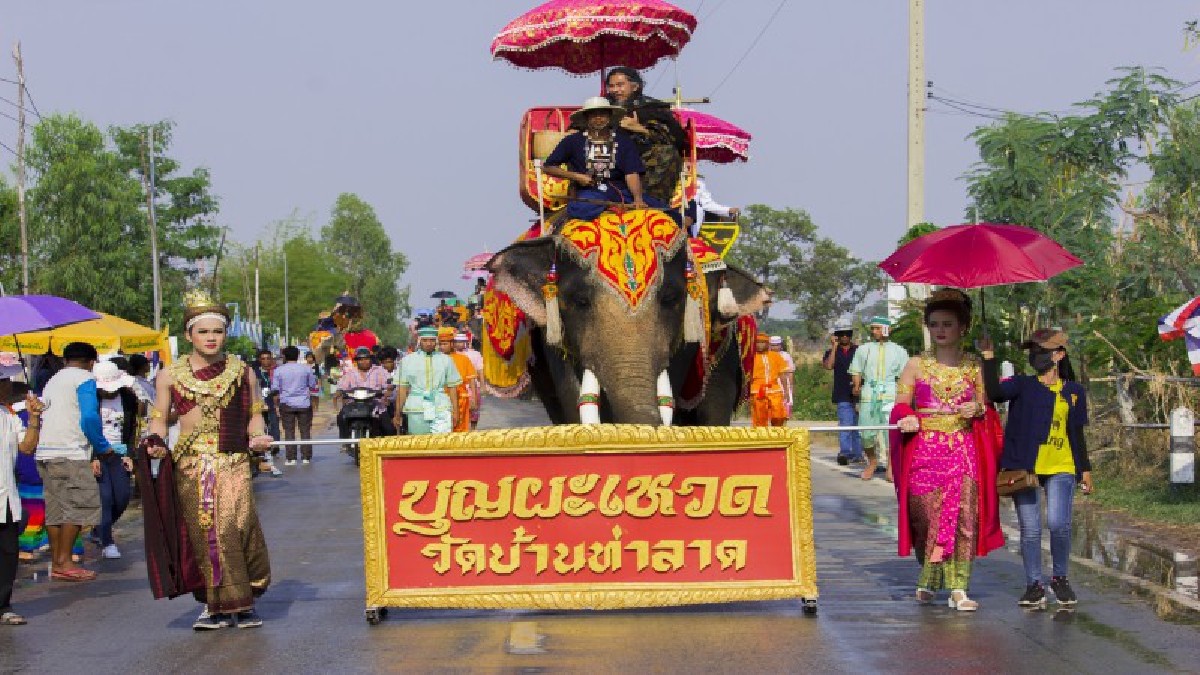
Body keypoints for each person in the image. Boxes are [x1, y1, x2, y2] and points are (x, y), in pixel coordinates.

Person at [141, 289, 274, 630]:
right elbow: (159, 417)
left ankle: (246, 598)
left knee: (238, 527)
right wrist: (154, 440)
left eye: (217, 331)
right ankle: (213, 606)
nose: (211, 338)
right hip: (192, 463)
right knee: (205, 533)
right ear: (188, 335)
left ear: (226, 334)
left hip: (233, 459)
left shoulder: (242, 372)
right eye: (203, 331)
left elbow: (255, 414)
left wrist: (258, 436)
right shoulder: (170, 375)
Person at [890, 290, 1004, 612]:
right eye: (935, 324)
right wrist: (906, 417)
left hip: (963, 449)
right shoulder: (915, 364)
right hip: (925, 450)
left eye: (948, 324)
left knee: (964, 517)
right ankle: (929, 573)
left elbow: (987, 404)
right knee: (926, 516)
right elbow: (899, 406)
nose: (940, 330)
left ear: (963, 327)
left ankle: (958, 588)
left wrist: (978, 407)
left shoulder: (974, 366)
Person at [980, 328, 1092, 609]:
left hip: (1062, 464)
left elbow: (1077, 434)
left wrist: (1085, 470)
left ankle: (1060, 578)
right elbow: (994, 392)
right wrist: (988, 356)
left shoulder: (1074, 391)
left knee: (1059, 525)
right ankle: (1034, 584)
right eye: (1032, 351)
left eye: (1041, 351)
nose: (1035, 356)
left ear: (1059, 355)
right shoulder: (1022, 385)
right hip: (1024, 466)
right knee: (1029, 530)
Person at [35, 341, 110, 582]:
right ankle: (67, 562)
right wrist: (101, 446)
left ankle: (58, 562)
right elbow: (89, 417)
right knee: (78, 508)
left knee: (56, 511)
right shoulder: (83, 379)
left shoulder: (53, 381)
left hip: (46, 452)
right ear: (91, 362)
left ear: (65, 359)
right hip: (71, 452)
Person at [543, 96, 663, 222]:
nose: (598, 118)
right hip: (589, 192)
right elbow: (548, 167)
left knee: (665, 212)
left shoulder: (623, 140)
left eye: (602, 114)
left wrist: (638, 199)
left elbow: (631, 172)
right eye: (593, 115)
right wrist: (576, 176)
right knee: (581, 208)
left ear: (610, 117)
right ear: (586, 118)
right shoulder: (572, 141)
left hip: (620, 192)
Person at [604, 66, 687, 207]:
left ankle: (651, 202)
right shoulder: (601, 107)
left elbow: (675, 139)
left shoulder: (652, 108)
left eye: (620, 85)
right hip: (607, 156)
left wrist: (639, 129)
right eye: (611, 86)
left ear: (635, 86)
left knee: (667, 153)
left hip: (643, 159)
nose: (615, 90)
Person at [0, 367, 45, 625]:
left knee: (8, 551)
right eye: (3, 381)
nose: (8, 386)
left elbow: (27, 447)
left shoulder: (9, 415)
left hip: (7, 494)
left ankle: (3, 605)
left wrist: (34, 418)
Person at [850, 317, 909, 481]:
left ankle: (890, 468)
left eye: (877, 328)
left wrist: (904, 398)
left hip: (890, 392)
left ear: (887, 329)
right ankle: (872, 462)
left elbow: (905, 376)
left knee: (891, 432)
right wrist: (856, 387)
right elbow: (856, 370)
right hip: (869, 392)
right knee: (865, 432)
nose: (874, 331)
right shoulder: (864, 349)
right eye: (873, 328)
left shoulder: (899, 350)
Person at [91, 361, 138, 560]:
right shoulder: (90, 399)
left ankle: (99, 529)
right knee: (105, 498)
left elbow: (131, 428)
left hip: (119, 453)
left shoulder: (128, 398)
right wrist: (92, 456)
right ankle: (107, 541)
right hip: (99, 454)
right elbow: (85, 428)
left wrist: (129, 453)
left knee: (122, 497)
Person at [394, 327, 461, 435]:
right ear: (419, 341)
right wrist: (398, 414)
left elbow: (453, 388)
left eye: (432, 340)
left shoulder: (446, 360)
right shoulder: (407, 361)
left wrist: (456, 412)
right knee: (419, 444)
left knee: (442, 444)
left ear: (436, 341)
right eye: (425, 340)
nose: (429, 343)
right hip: (416, 408)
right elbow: (402, 390)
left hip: (441, 407)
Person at [272, 346, 319, 466]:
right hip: (304, 403)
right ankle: (306, 457)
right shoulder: (306, 369)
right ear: (298, 355)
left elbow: (275, 388)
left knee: (289, 431)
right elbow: (313, 385)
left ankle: (291, 458)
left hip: (286, 404)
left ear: (284, 356)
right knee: (305, 430)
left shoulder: (279, 370)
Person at [823, 323, 863, 465]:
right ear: (837, 336)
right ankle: (845, 453)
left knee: (858, 426)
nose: (845, 336)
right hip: (842, 392)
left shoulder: (859, 350)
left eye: (847, 333)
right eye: (841, 334)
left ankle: (858, 454)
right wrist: (834, 347)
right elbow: (829, 366)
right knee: (846, 423)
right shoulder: (831, 351)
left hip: (859, 392)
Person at [335, 347, 391, 441]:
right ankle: (345, 441)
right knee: (341, 417)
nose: (364, 361)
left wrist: (388, 390)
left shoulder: (379, 370)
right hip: (354, 405)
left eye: (366, 359)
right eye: (361, 359)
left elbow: (389, 384)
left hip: (377, 405)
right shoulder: (350, 373)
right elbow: (342, 386)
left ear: (370, 359)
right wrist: (339, 392)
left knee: (389, 428)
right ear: (357, 361)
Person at [440, 328, 478, 433]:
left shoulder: (463, 359)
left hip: (461, 399)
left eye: (445, 344)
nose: (442, 347)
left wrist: (474, 399)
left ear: (452, 344)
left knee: (460, 429)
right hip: (442, 399)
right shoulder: (437, 360)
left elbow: (471, 380)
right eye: (441, 344)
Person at [749, 333, 790, 427]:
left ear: (768, 344)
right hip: (757, 390)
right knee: (760, 418)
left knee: (779, 415)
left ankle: (777, 434)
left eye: (763, 343)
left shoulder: (776, 356)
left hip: (775, 389)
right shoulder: (751, 357)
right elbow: (747, 377)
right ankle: (762, 437)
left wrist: (786, 391)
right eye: (758, 343)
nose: (760, 345)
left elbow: (782, 374)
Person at [252, 350, 282, 477]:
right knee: (261, 429)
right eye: (263, 358)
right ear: (259, 360)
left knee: (274, 427)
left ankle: (274, 449)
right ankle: (260, 453)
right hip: (259, 406)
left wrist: (277, 406)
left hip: (272, 404)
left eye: (268, 358)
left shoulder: (277, 372)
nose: (266, 361)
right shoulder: (255, 373)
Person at [454, 333, 484, 429]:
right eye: (457, 342)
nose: (459, 344)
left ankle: (473, 430)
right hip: (457, 387)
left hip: (473, 387)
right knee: (459, 411)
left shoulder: (475, 354)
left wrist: (483, 385)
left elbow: (480, 370)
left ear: (466, 342)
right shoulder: (451, 355)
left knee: (474, 411)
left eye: (461, 342)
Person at [377, 346, 401, 436]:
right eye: (385, 362)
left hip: (399, 402)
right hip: (383, 404)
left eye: (390, 362)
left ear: (395, 360)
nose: (387, 365)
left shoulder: (401, 370)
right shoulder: (377, 371)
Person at [769, 336, 795, 416]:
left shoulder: (786, 356)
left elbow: (790, 372)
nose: (775, 347)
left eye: (777, 345)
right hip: (771, 385)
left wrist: (791, 386)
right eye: (773, 345)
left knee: (785, 409)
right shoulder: (766, 355)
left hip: (784, 385)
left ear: (781, 345)